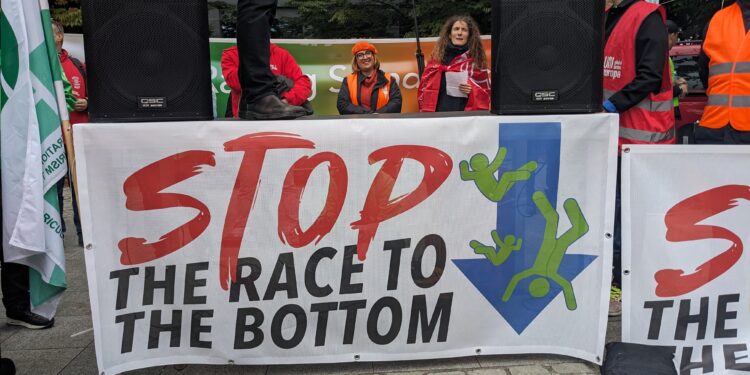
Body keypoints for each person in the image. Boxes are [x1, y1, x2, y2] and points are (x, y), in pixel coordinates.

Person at [603, 0, 674, 317]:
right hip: (612, 135)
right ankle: (612, 283)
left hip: (639, 138)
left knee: (626, 219)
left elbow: (649, 76)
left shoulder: (646, 17)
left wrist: (612, 105)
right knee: (611, 217)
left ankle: (622, 287)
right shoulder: (609, 17)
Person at [235, 0, 309, 120]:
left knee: (266, 7)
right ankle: (258, 95)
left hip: (255, 92)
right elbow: (232, 80)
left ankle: (254, 96)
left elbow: (303, 81)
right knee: (258, 4)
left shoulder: (282, 54)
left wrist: (287, 98)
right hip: (256, 91)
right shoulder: (230, 54)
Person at [695, 0, 750, 144]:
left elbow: (704, 71)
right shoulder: (718, 19)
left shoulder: (718, 19)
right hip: (714, 128)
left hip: (716, 128)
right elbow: (705, 69)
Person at [417, 15, 490, 112]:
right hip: (438, 116)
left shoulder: (477, 61)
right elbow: (424, 89)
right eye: (456, 29)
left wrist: (472, 90)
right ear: (450, 34)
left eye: (464, 30)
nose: (459, 33)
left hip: (465, 118)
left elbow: (485, 93)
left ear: (469, 35)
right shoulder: (437, 60)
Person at [52, 20, 83, 246]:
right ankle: (56, 237)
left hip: (77, 135)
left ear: (59, 37)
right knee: (54, 191)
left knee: (80, 189)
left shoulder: (76, 64)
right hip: (52, 140)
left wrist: (87, 102)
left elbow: (96, 94)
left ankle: (84, 235)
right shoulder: (40, 68)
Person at [222, 43, 313, 118]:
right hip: (247, 119)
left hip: (280, 117)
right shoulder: (231, 54)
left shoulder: (281, 54)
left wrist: (285, 100)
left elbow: (304, 83)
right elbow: (235, 83)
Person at [336, 42, 402, 115]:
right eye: (360, 55)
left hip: (383, 123)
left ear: (374, 57)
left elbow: (396, 102)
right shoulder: (348, 80)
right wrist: (367, 114)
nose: (365, 57)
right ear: (356, 61)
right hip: (357, 124)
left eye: (368, 53)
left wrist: (378, 114)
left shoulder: (389, 79)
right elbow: (342, 104)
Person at [666, 20, 688, 121]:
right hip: (666, 109)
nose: (677, 40)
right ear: (672, 35)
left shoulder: (666, 56)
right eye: (677, 36)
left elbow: (664, 82)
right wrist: (680, 89)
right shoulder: (661, 56)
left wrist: (675, 82)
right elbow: (659, 89)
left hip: (668, 108)